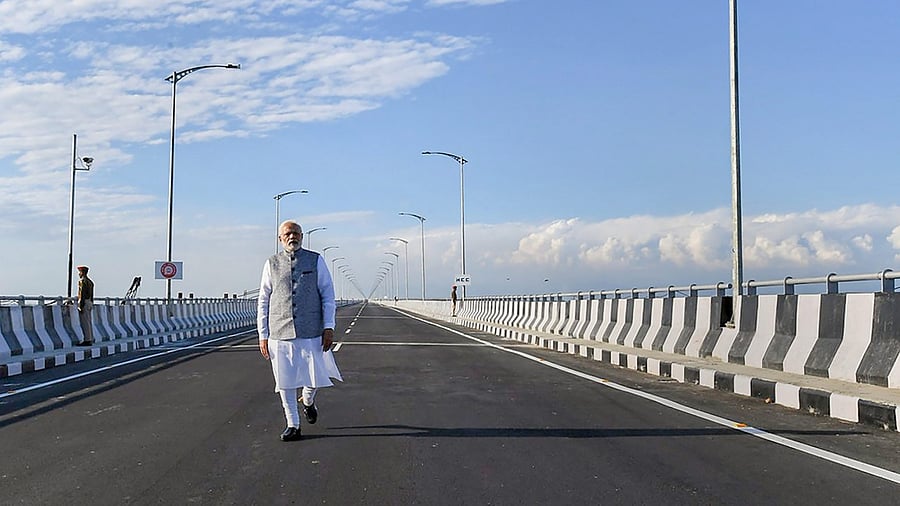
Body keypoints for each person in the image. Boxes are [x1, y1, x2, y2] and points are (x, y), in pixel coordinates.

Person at [258, 220, 342, 442]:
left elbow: (328, 294)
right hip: (279, 331)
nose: (292, 236)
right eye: (287, 234)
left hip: (311, 330)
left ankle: (308, 399)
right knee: (284, 381)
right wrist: (262, 334)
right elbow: (263, 300)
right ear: (280, 238)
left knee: (315, 376)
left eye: (295, 233)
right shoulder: (271, 263)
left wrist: (329, 327)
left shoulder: (316, 260)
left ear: (302, 236)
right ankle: (293, 424)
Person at [76, 265, 95, 346]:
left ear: (82, 272)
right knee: (89, 322)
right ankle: (90, 338)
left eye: (79, 272)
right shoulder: (90, 282)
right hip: (89, 302)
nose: (79, 274)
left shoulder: (82, 281)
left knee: (85, 323)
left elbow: (82, 294)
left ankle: (87, 340)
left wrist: (80, 305)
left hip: (85, 302)